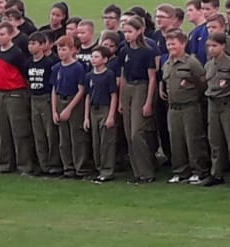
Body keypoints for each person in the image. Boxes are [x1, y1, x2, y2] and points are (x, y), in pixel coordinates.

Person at [117, 16, 162, 183]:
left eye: (130, 32)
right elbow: (122, 75)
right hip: (128, 87)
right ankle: (137, 172)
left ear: (139, 31)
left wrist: (149, 101)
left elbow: (152, 78)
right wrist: (121, 100)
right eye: (125, 32)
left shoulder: (147, 51)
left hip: (141, 87)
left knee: (137, 132)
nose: (127, 35)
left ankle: (147, 171)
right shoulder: (124, 50)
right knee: (129, 133)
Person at [162, 29, 209, 185]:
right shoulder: (167, 63)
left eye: (173, 44)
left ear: (183, 44)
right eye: (168, 44)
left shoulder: (191, 63)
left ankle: (199, 171)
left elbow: (202, 83)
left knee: (193, 139)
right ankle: (180, 171)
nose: (170, 47)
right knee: (176, 141)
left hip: (190, 106)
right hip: (173, 108)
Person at [203, 31, 230, 188]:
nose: (211, 49)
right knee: (215, 140)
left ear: (223, 46)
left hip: (228, 103)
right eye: (209, 46)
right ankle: (216, 173)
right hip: (213, 104)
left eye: (215, 46)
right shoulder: (209, 64)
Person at [0, 22, 36, 175]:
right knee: (3, 131)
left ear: (10, 35)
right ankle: (5, 164)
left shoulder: (16, 53)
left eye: (2, 34)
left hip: (15, 93)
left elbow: (24, 73)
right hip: (1, 93)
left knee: (19, 131)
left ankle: (25, 165)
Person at [52, 35, 92, 180]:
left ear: (72, 50)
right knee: (64, 139)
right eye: (59, 49)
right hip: (60, 100)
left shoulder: (78, 67)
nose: (61, 52)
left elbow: (81, 90)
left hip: (73, 102)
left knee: (77, 138)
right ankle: (67, 167)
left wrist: (68, 109)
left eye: (64, 49)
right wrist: (54, 110)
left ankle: (80, 168)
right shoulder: (56, 68)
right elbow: (54, 89)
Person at [26, 31, 63, 178]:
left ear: (43, 45)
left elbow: (53, 84)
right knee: (38, 133)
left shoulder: (50, 63)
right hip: (34, 98)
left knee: (50, 133)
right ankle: (43, 164)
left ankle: (54, 164)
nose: (31, 46)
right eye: (29, 43)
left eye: (34, 43)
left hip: (46, 98)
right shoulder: (28, 62)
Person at [86, 44, 121, 182]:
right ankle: (99, 167)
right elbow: (88, 96)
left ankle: (107, 170)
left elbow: (113, 95)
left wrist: (111, 115)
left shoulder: (109, 74)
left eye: (96, 57)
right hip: (93, 110)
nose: (93, 59)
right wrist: (86, 117)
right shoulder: (89, 75)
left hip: (105, 108)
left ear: (105, 59)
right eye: (92, 56)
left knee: (107, 141)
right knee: (96, 141)